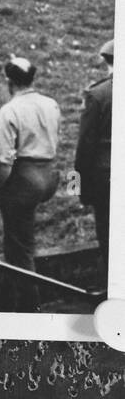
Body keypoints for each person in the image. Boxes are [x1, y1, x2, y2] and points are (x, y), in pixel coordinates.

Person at [0, 56, 61, 310]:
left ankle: (29, 304)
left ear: (8, 82)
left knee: (18, 245)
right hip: (49, 175)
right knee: (22, 235)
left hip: (25, 178)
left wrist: (1, 188)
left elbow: (5, 161)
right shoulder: (51, 103)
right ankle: (15, 294)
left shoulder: (9, 110)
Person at [75, 39, 113, 267]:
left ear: (105, 60)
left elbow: (83, 148)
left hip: (104, 177)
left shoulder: (97, 95)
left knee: (108, 233)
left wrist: (76, 188)